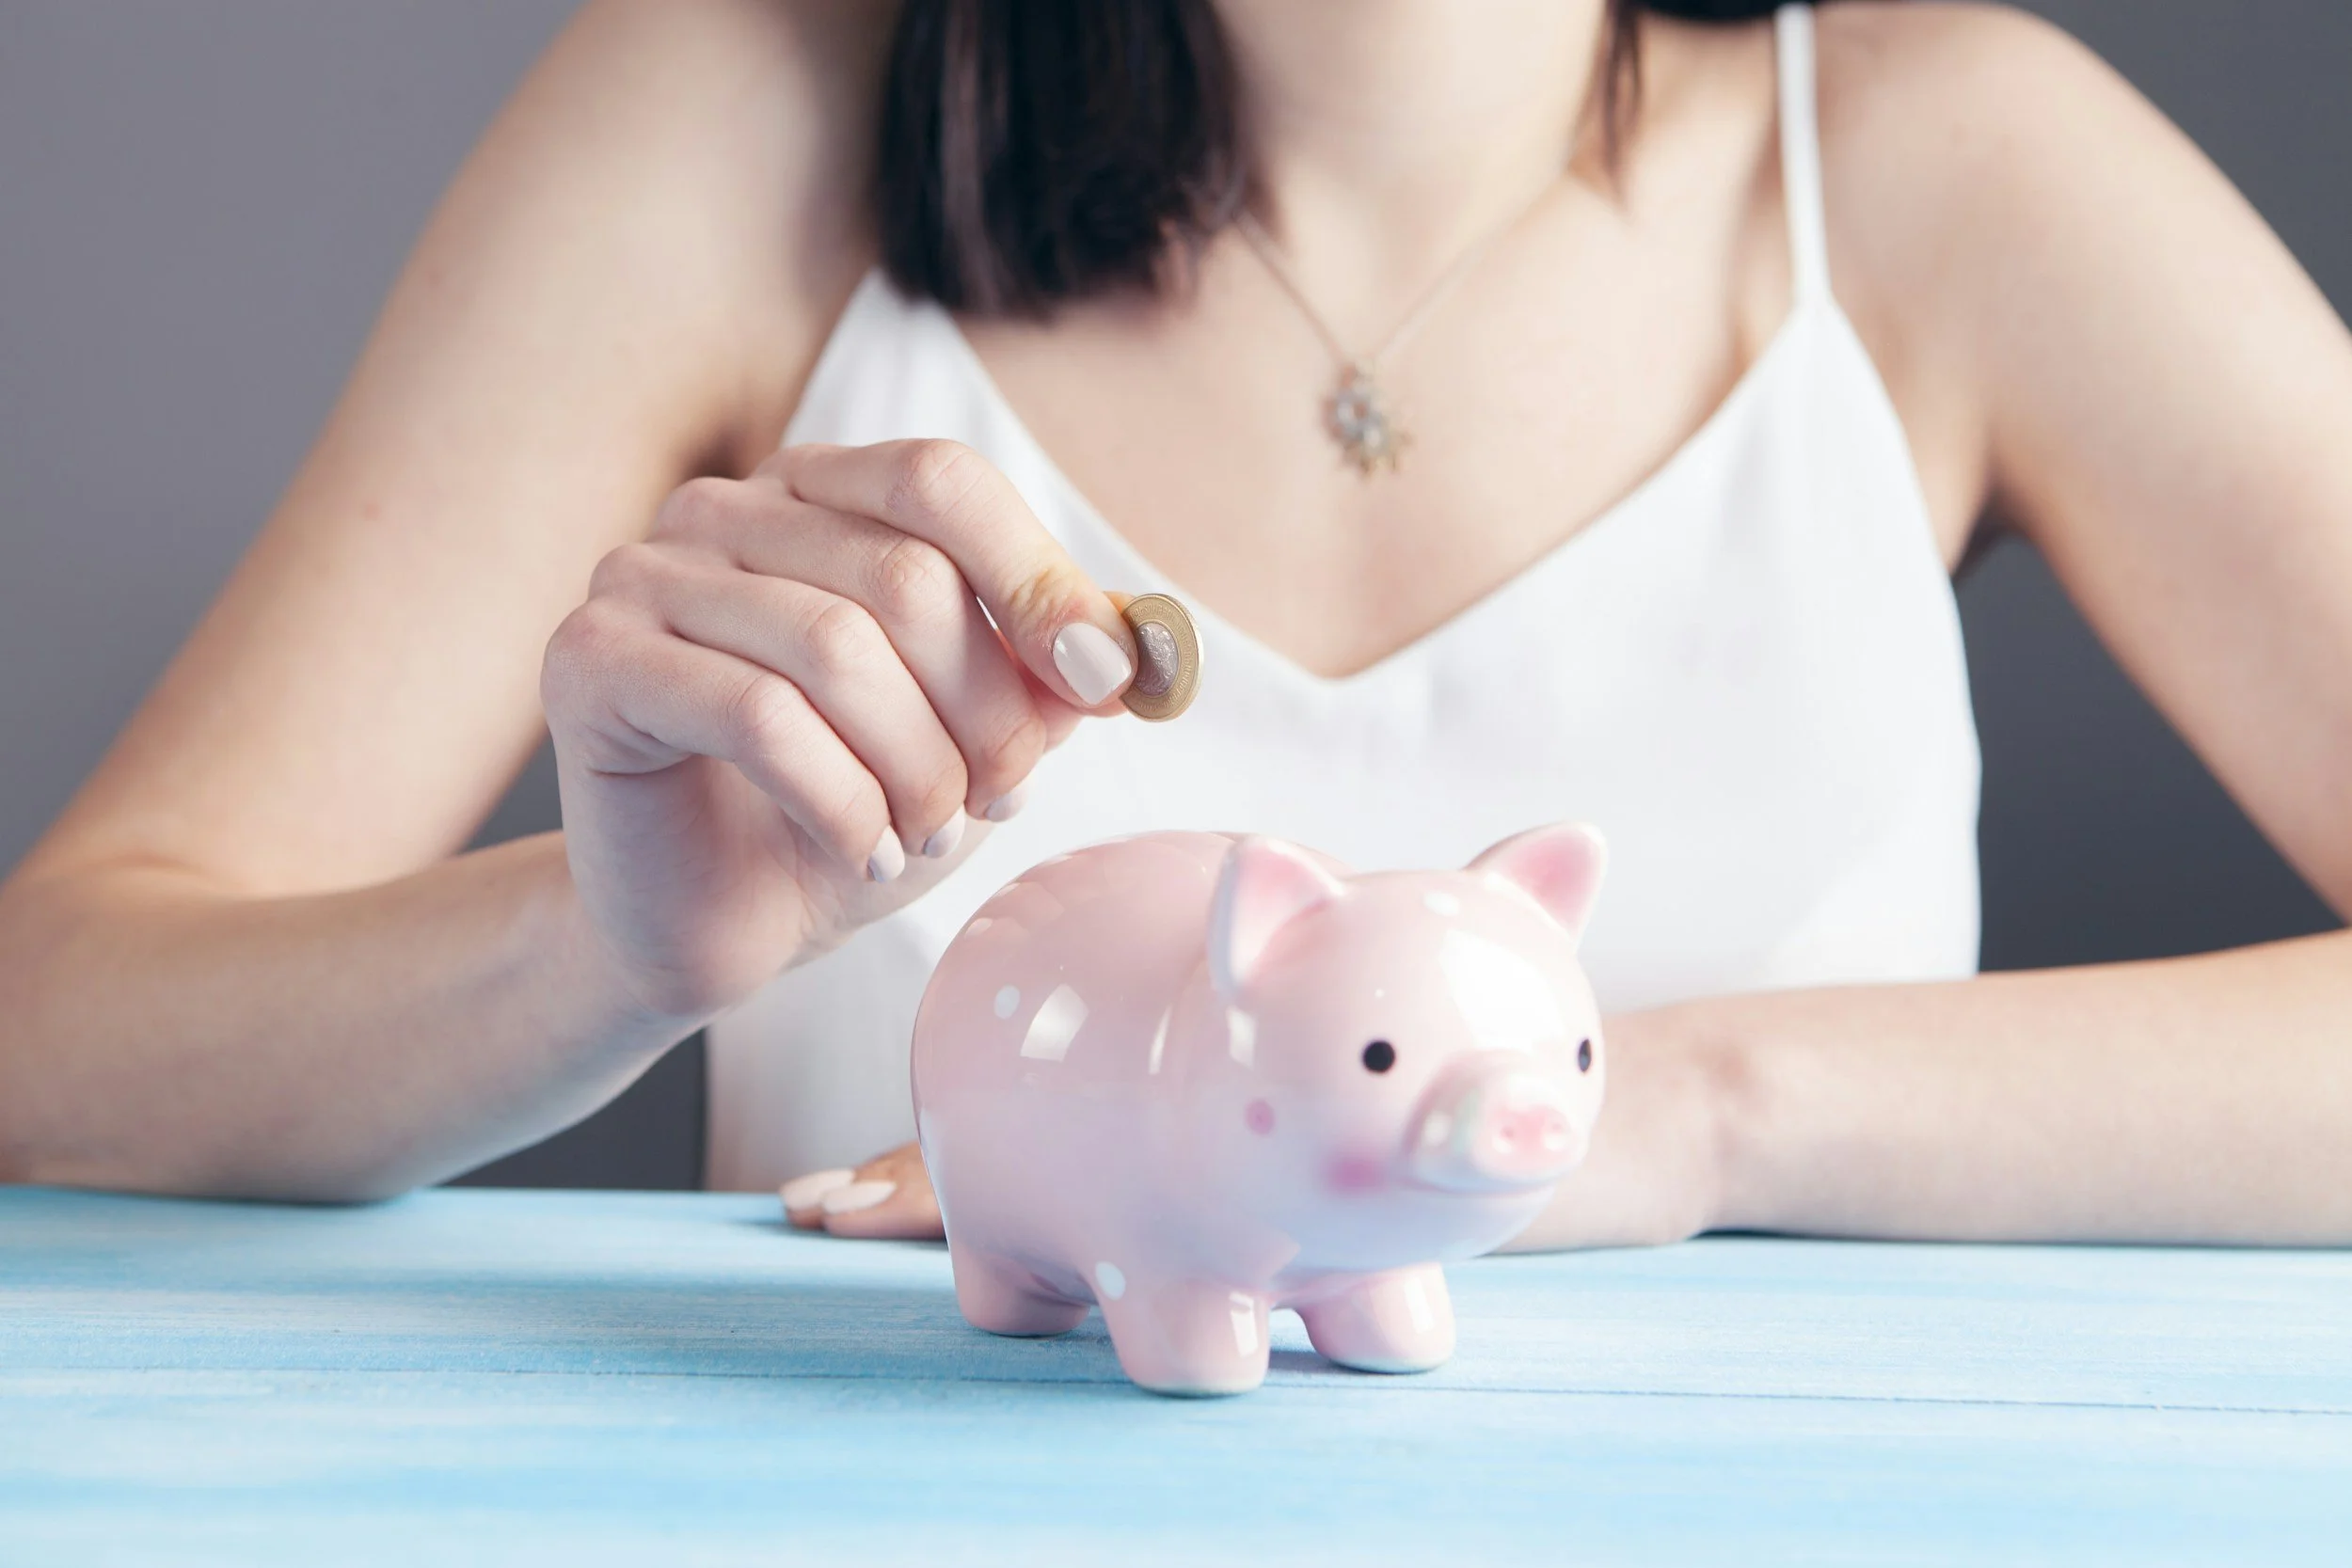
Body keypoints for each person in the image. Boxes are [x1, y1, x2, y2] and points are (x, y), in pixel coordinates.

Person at [5, 0, 2350, 1254]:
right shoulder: (731, 106)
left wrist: (1677, 1116)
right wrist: (602, 958)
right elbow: (54, 1021)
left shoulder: (1958, 161)